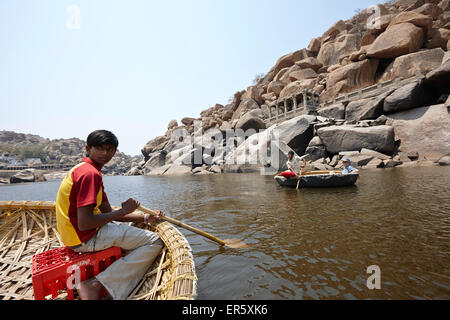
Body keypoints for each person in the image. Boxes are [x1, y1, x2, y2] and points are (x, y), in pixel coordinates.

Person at [55, 129, 164, 300]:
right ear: (88, 148)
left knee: (124, 227)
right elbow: (85, 223)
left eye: (110, 149)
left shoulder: (87, 170)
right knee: (154, 241)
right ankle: (95, 285)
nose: (105, 153)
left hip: (74, 236)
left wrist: (144, 218)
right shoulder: (90, 174)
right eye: (99, 148)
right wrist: (123, 211)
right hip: (83, 238)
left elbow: (108, 213)